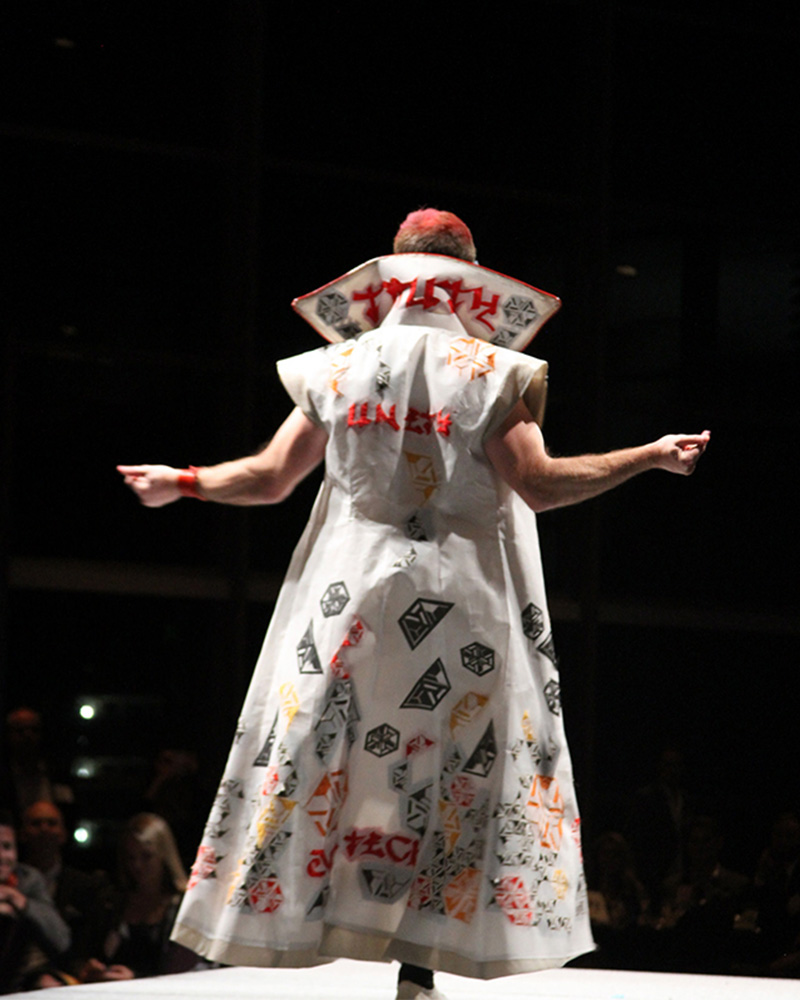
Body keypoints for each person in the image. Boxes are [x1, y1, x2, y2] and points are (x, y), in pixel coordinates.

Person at [118, 209, 709, 1000]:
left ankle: (267, 933)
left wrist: (180, 480)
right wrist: (649, 456)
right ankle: (417, 969)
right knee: (452, 771)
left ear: (392, 269)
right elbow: (538, 483)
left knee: (323, 753)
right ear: (471, 276)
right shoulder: (494, 370)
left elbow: (268, 478)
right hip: (461, 601)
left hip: (349, 595)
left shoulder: (338, 367)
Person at [82, 812, 194, 982]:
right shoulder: (113, 902)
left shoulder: (184, 907)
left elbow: (185, 974)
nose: (137, 865)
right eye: (130, 857)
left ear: (164, 855)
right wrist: (90, 966)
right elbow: (88, 951)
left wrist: (136, 978)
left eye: (146, 856)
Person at [0, 809, 71, 992]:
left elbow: (61, 940)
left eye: (7, 847)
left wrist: (18, 900)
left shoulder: (27, 880)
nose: (2, 857)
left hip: (17, 984)